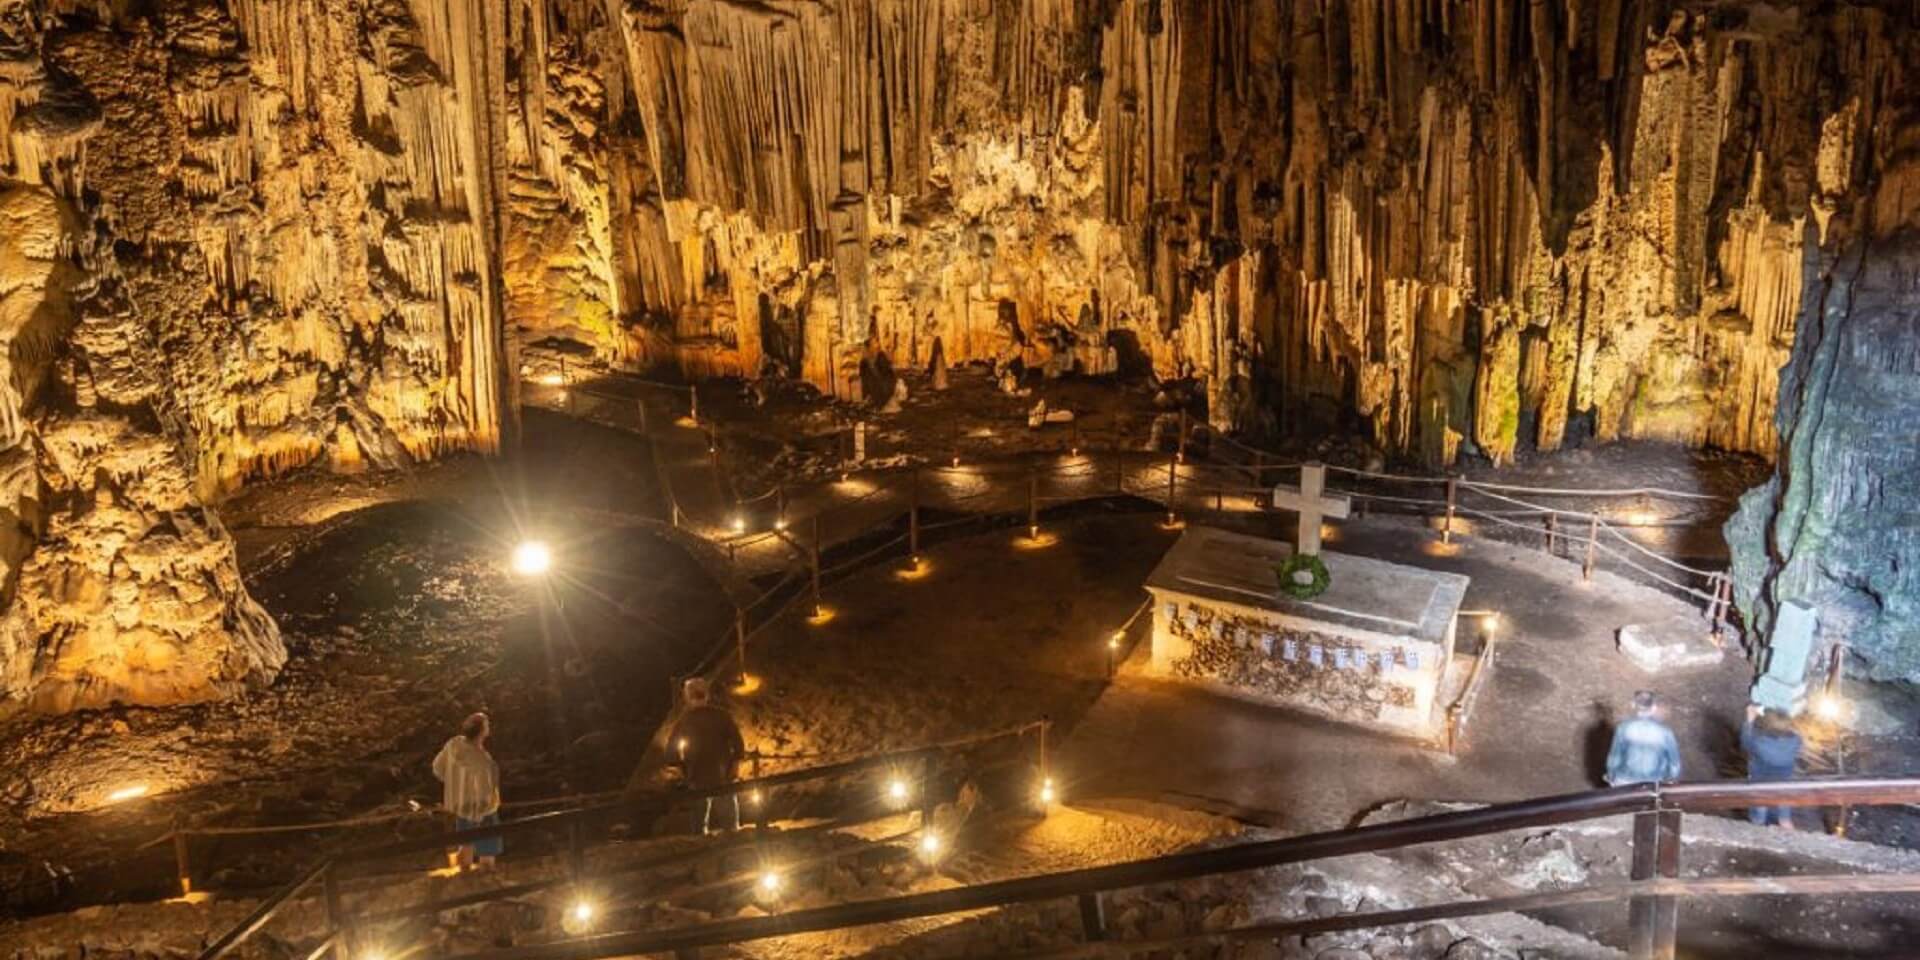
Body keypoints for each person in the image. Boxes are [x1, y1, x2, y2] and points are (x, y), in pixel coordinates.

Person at [670, 678, 746, 835]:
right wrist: (735, 764)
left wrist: (682, 770)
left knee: (698, 822)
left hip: (696, 775)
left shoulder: (684, 720)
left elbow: (672, 749)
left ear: (687, 696)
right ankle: (733, 842)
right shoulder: (722, 716)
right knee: (730, 822)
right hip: (722, 773)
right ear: (706, 695)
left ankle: (701, 846)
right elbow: (737, 742)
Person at [432, 712, 502, 871]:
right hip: (483, 807)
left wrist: (454, 784)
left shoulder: (453, 744)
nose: (489, 727)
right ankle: (486, 874)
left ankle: (465, 875)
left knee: (465, 841)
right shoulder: (481, 758)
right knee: (487, 846)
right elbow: (484, 788)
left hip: (461, 805)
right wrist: (481, 811)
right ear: (481, 730)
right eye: (487, 725)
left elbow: (437, 767)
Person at [1741, 705, 1804, 828]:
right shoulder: (1796, 740)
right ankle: (1793, 841)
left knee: (1758, 817)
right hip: (1783, 785)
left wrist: (1749, 719)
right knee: (1784, 818)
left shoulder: (1759, 743)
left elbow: (1745, 741)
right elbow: (1795, 734)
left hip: (1761, 785)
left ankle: (1758, 836)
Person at [1605, 690, 1682, 786]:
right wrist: (1671, 779)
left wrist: (1611, 775)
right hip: (1654, 783)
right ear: (1654, 708)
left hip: (1624, 781)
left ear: (1633, 705)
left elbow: (1615, 757)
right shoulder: (1665, 732)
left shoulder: (1623, 728)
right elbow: (1674, 764)